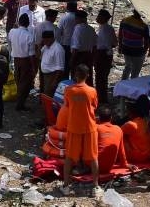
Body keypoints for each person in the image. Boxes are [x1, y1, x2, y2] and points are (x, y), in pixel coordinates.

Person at [63, 64, 102, 198]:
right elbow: (95, 106)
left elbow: (67, 105)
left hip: (74, 127)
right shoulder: (92, 91)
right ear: (88, 75)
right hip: (89, 127)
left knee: (69, 157)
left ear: (75, 74)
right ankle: (96, 187)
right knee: (93, 157)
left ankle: (66, 186)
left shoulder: (68, 90)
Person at [10, 13, 36, 111]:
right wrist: (33, 67)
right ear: (28, 23)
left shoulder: (12, 32)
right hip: (26, 61)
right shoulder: (29, 36)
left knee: (18, 80)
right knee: (25, 83)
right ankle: (20, 103)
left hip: (16, 60)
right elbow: (31, 54)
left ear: (19, 22)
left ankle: (19, 101)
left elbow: (10, 36)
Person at [121, 97, 150, 165]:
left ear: (131, 112)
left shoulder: (131, 124)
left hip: (140, 157)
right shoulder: (148, 121)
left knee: (120, 136)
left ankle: (122, 159)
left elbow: (116, 133)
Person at [96, 104, 129, 175]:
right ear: (111, 118)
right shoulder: (118, 129)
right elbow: (121, 150)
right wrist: (125, 164)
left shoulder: (96, 128)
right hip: (108, 167)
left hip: (94, 166)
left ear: (98, 118)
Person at [118, 9, 149, 80]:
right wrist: (144, 51)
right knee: (135, 71)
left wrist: (120, 46)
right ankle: (132, 85)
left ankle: (123, 83)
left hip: (126, 48)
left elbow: (120, 35)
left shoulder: (125, 20)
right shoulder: (144, 25)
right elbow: (146, 41)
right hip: (137, 51)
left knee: (128, 67)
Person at [94, 9, 116, 103]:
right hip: (106, 54)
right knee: (103, 77)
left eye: (99, 16)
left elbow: (110, 44)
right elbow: (115, 43)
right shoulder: (108, 28)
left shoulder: (104, 29)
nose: (97, 18)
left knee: (100, 77)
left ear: (103, 18)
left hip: (102, 54)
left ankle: (101, 98)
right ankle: (102, 97)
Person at [70, 9, 96, 84]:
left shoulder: (78, 28)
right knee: (87, 77)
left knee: (77, 77)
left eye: (76, 18)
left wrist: (72, 59)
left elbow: (76, 46)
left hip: (79, 56)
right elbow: (95, 45)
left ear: (79, 18)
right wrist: (92, 58)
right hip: (88, 55)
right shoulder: (91, 29)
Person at [39, 29, 65, 101]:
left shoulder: (58, 49)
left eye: (45, 40)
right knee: (46, 94)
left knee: (49, 95)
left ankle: (50, 111)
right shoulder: (45, 47)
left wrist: (55, 81)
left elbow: (60, 68)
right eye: (43, 40)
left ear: (51, 38)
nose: (44, 42)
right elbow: (38, 56)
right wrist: (40, 46)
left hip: (52, 75)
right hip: (45, 75)